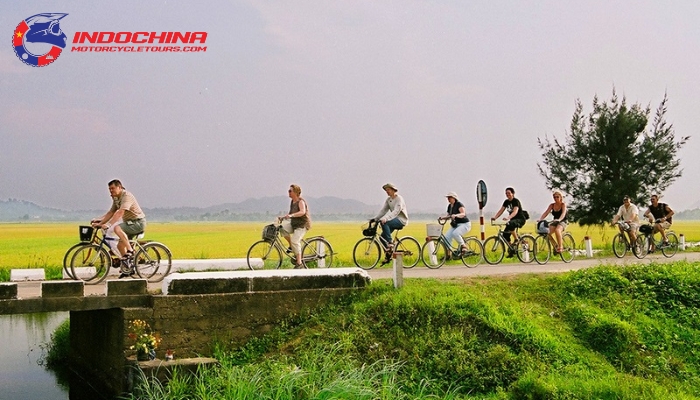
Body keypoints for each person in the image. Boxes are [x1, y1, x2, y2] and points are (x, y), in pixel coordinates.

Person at [91, 179, 147, 277]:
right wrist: (99, 221)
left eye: (112, 188)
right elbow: (111, 213)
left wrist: (109, 224)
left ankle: (130, 250)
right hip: (129, 224)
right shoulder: (116, 198)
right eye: (109, 189)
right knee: (120, 246)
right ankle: (128, 269)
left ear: (119, 187)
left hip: (138, 222)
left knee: (117, 228)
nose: (111, 191)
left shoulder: (127, 196)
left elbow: (120, 212)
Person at [373, 183, 409, 258]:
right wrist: (375, 219)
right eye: (386, 190)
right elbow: (383, 210)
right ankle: (388, 255)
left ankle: (390, 243)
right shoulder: (388, 200)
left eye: (388, 190)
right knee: (382, 238)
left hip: (401, 220)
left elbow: (396, 211)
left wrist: (386, 218)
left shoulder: (399, 199)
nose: (387, 192)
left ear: (393, 190)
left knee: (385, 223)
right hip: (393, 220)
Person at [280, 184, 311, 268]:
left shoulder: (301, 201)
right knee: (281, 228)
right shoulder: (292, 202)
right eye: (288, 191)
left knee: (295, 241)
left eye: (290, 191)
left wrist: (292, 216)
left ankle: (299, 263)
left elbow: (302, 212)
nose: (288, 192)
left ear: (296, 192)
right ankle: (291, 246)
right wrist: (283, 217)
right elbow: (290, 213)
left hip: (302, 225)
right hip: (294, 224)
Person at [491, 187, 526, 257]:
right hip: (512, 219)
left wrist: (508, 218)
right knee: (505, 235)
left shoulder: (516, 201)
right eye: (506, 193)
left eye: (509, 193)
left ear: (513, 194)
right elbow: (501, 210)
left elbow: (515, 211)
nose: (507, 195)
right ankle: (512, 250)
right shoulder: (506, 202)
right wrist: (495, 217)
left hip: (520, 219)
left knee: (510, 224)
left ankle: (516, 239)